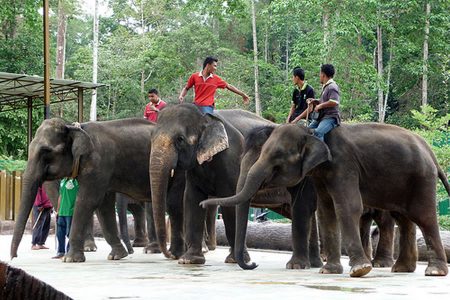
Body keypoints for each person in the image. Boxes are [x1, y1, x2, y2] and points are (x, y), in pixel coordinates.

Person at [178, 56, 250, 114]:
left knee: (206, 124)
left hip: (207, 107)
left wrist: (243, 95)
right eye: (214, 66)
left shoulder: (216, 79)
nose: (215, 68)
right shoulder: (194, 76)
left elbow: (229, 86)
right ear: (208, 65)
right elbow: (186, 88)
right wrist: (182, 95)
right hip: (196, 106)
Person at [296, 64, 341, 141]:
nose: (319, 76)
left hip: (330, 117)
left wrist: (320, 106)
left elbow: (334, 102)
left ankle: (321, 152)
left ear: (323, 75)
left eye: (320, 74)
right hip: (322, 117)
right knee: (308, 130)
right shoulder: (326, 87)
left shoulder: (332, 87)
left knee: (318, 133)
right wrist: (315, 101)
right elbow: (325, 101)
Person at [52, 177, 79, 259]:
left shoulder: (76, 181)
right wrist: (58, 210)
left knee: (69, 233)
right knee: (60, 233)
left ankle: (69, 251)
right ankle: (61, 251)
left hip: (70, 212)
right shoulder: (63, 181)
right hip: (62, 212)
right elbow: (60, 195)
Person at [31, 185, 53, 250]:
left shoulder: (49, 184)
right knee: (38, 225)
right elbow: (37, 194)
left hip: (47, 206)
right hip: (40, 206)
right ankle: (34, 243)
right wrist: (39, 205)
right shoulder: (40, 182)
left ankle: (41, 243)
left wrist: (51, 205)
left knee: (46, 226)